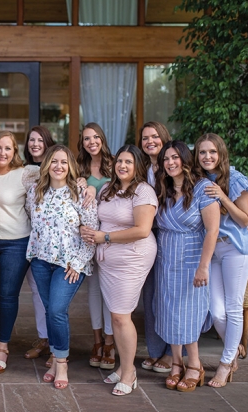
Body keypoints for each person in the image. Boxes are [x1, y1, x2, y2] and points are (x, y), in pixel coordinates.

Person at [81, 145, 158, 396]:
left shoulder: (143, 191)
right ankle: (124, 366)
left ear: (138, 166)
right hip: (108, 260)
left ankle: (129, 373)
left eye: (128, 162)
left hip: (132, 258)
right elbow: (98, 217)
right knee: (116, 317)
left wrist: (104, 236)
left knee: (122, 317)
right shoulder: (108, 188)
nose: (122, 166)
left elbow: (142, 230)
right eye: (119, 162)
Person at [26, 145, 98, 389]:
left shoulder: (80, 193)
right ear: (46, 164)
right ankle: (56, 359)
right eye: (54, 161)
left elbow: (90, 234)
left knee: (57, 309)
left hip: (69, 264)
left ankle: (62, 362)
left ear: (71, 167)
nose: (58, 166)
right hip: (40, 261)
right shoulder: (35, 191)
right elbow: (34, 224)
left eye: (64, 162)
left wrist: (78, 263)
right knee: (49, 311)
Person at [154, 140, 220, 392]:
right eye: (166, 159)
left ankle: (195, 365)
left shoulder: (204, 188)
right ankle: (176, 364)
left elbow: (212, 230)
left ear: (185, 159)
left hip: (193, 257)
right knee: (169, 309)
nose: (170, 163)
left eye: (175, 157)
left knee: (189, 311)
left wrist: (203, 266)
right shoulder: (164, 189)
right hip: (166, 257)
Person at [194, 133, 248, 387]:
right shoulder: (198, 180)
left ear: (221, 154)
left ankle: (225, 363)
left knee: (233, 307)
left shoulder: (235, 177)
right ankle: (233, 349)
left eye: (212, 152)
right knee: (215, 311)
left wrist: (222, 195)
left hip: (235, 251)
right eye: (202, 152)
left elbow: (245, 220)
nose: (207, 157)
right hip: (213, 251)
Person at [0, 131, 39, 374]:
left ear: (15, 152)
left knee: (6, 298)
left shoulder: (26, 173)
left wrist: (84, 184)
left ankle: (2, 346)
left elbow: (62, 169)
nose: (3, 153)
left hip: (16, 242)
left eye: (8, 148)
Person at [138, 121, 176, 374]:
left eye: (154, 136)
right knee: (150, 297)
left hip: (171, 236)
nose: (150, 141)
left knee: (170, 297)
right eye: (145, 138)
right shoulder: (141, 169)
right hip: (147, 237)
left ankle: (175, 354)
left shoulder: (173, 164)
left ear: (163, 138)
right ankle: (155, 351)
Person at [77, 122, 115, 370]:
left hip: (112, 236)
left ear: (102, 138)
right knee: (93, 290)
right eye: (86, 139)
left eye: (95, 137)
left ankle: (111, 343)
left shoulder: (115, 164)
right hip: (89, 237)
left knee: (110, 291)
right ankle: (97, 340)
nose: (91, 142)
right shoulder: (78, 169)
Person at [21, 126, 56, 364]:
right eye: (31, 140)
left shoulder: (57, 166)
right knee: (36, 292)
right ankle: (44, 339)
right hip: (28, 238)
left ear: (48, 143)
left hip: (53, 242)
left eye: (40, 140)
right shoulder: (22, 170)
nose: (35, 144)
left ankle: (56, 345)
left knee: (53, 298)